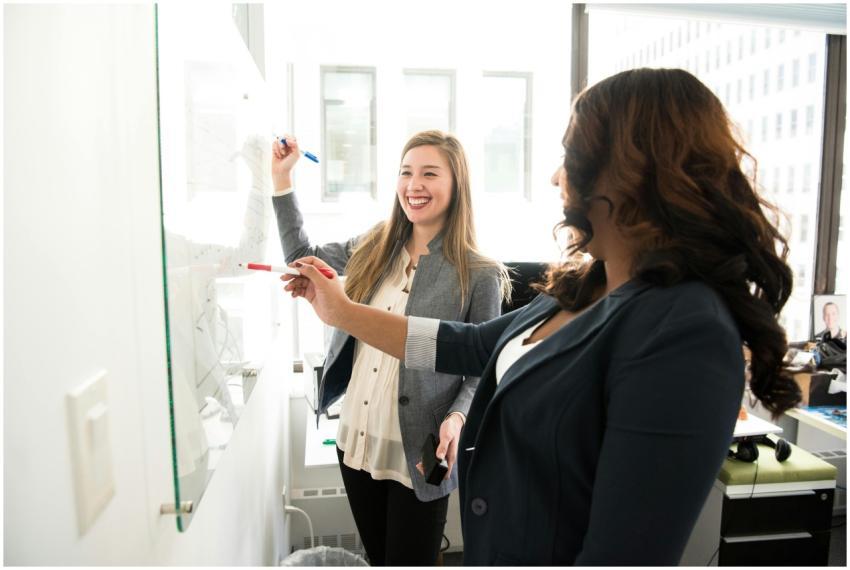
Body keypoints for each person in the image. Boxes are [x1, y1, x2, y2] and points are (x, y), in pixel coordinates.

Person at [281, 68, 803, 565]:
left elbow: (620, 557)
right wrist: (343, 312)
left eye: (571, 155)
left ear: (632, 171)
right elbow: (469, 345)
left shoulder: (684, 330)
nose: (556, 176)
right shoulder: (582, 285)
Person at [270, 130, 509, 566]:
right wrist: (281, 181)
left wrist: (457, 418)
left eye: (429, 174)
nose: (413, 185)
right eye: (406, 172)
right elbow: (302, 255)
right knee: (381, 558)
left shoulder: (480, 273)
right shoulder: (375, 245)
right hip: (357, 439)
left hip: (420, 449)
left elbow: (483, 366)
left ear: (457, 185)